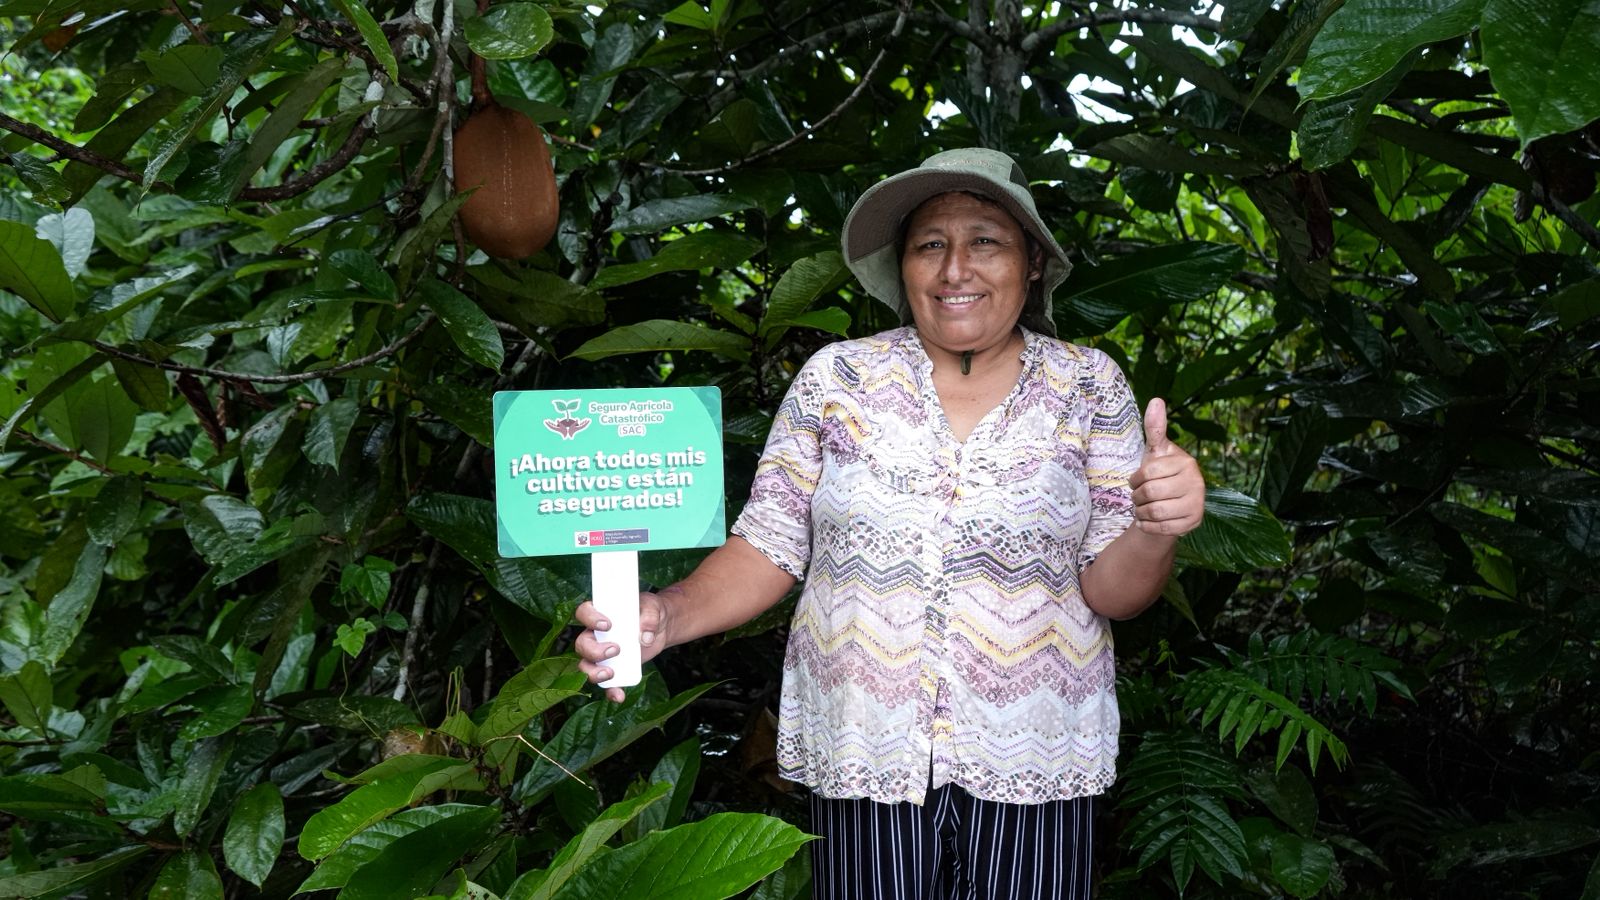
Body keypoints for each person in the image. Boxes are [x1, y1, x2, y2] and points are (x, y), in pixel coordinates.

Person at [574, 148, 1206, 899]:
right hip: (864, 749)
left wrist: (1158, 524)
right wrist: (662, 618)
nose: (955, 269)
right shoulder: (837, 380)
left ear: (1033, 261)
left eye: (986, 241)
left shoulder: (1088, 385)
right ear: (902, 266)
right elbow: (769, 547)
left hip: (1036, 758)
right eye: (930, 244)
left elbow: (1114, 592)